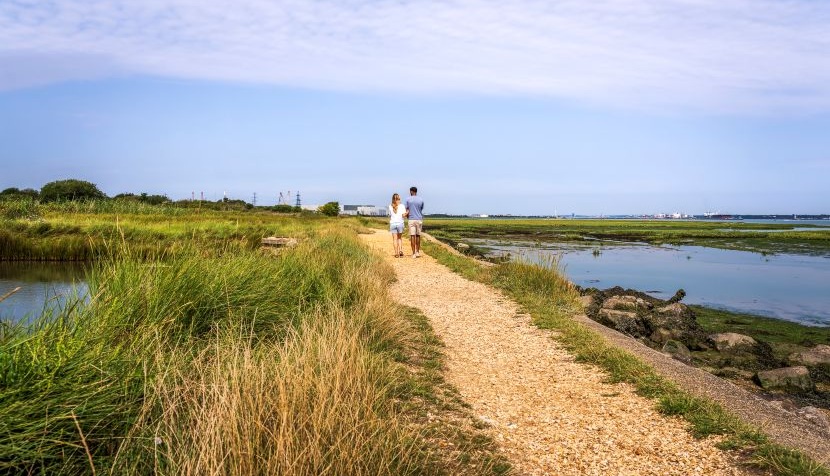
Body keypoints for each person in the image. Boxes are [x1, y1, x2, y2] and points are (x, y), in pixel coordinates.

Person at [405, 186, 424, 258]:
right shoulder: (421, 199)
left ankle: (413, 253)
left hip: (411, 219)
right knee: (418, 236)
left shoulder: (408, 199)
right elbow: (421, 209)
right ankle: (417, 252)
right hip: (419, 219)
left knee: (412, 236)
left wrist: (407, 217)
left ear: (411, 191)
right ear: (416, 191)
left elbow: (407, 209)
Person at [388, 193, 406, 257]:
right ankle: (400, 251)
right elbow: (403, 215)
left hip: (392, 224)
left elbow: (390, 215)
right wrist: (407, 212)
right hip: (400, 223)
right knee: (399, 238)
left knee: (394, 239)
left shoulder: (390, 206)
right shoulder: (402, 206)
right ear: (399, 198)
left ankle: (396, 253)